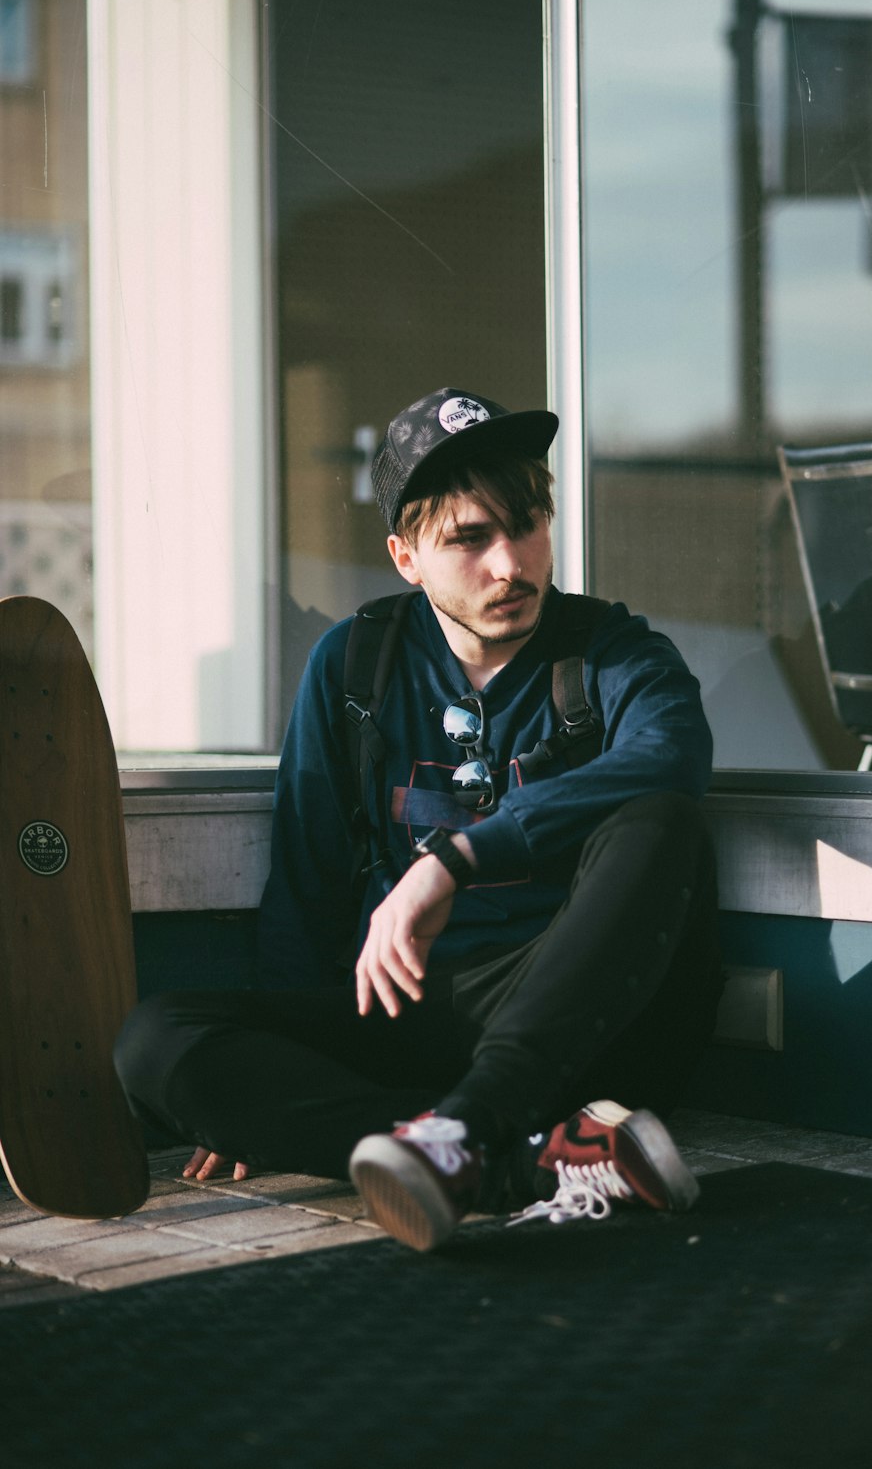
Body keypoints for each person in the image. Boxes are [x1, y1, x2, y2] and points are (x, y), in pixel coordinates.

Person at [114, 386, 723, 1252]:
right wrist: (261, 1097)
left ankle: (467, 1131)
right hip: (414, 1013)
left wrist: (454, 860)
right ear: (406, 557)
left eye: (527, 526)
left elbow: (672, 759)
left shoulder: (610, 650)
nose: (511, 565)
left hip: (578, 1015)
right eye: (470, 539)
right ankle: (527, 1161)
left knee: (662, 822)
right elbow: (308, 880)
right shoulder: (357, 664)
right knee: (156, 1041)